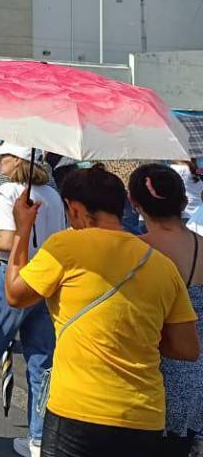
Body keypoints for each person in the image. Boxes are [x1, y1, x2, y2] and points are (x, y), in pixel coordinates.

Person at [5, 166, 199, 457]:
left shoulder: (66, 246)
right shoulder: (161, 264)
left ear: (76, 208)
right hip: (143, 416)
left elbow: (15, 294)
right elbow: (187, 348)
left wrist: (22, 230)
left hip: (77, 409)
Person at [0, 146, 67, 457]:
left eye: (4, 157)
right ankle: (38, 436)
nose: (0, 162)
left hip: (9, 273)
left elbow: (7, 242)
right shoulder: (53, 195)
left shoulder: (7, 192)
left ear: (17, 160)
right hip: (46, 278)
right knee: (42, 361)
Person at [128, 164, 203, 457]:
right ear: (183, 201)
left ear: (134, 202)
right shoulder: (200, 247)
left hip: (147, 378)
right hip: (194, 379)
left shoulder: (135, 251)